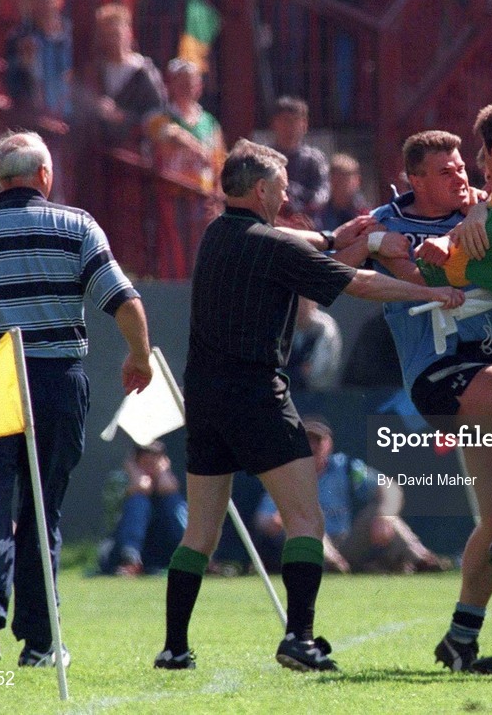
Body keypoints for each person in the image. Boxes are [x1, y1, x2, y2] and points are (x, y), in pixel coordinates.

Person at [152, 138, 464, 673]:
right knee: (305, 517)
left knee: (199, 534)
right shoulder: (274, 245)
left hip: (203, 397)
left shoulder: (216, 236)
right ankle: (299, 637)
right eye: (280, 184)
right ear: (260, 190)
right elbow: (358, 283)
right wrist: (432, 295)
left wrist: (333, 237)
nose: (287, 191)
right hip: (257, 394)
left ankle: (174, 647)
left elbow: (295, 245)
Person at [0, 131, 152, 668]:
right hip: (58, 381)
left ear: (0, 181)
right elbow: (124, 300)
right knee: (44, 511)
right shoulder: (78, 226)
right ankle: (41, 643)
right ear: (45, 176)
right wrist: (139, 356)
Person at [369, 128, 492, 674]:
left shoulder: (485, 208)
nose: (461, 176)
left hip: (490, 373)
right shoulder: (388, 224)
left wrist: (482, 214)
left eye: (463, 165)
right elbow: (413, 270)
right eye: (447, 170)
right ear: (416, 179)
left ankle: (461, 636)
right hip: (445, 372)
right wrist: (402, 248)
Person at [254, 417, 448, 573]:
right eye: (307, 440)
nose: (313, 447)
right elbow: (263, 518)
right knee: (304, 520)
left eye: (318, 441)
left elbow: (389, 487)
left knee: (380, 513)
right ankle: (330, 565)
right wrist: (274, 522)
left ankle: (422, 560)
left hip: (347, 544)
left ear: (328, 444)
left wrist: (384, 515)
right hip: (309, 551)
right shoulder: (286, 475)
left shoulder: (345, 467)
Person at [97, 441, 187, 576]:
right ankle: (130, 560)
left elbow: (167, 488)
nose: (151, 463)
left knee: (173, 501)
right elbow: (141, 487)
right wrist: (133, 470)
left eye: (155, 460)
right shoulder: (119, 479)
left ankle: (192, 554)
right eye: (145, 459)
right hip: (118, 549)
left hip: (159, 551)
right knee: (139, 501)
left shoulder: (166, 481)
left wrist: (162, 473)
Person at [82, 3, 166, 147]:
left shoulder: (144, 71)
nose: (113, 41)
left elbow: (158, 114)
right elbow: (82, 112)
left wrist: (123, 116)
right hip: (103, 150)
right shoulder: (95, 72)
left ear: (128, 33)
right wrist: (96, 106)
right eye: (108, 36)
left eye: (116, 34)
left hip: (136, 150)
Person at [144, 58, 225, 193]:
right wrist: (199, 150)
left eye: (191, 83)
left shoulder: (210, 122)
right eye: (181, 82)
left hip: (202, 196)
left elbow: (219, 163)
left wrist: (218, 195)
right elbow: (171, 134)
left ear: (199, 86)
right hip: (170, 195)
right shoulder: (158, 117)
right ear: (170, 86)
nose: (187, 87)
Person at [4, 0, 73, 120]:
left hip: (71, 118)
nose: (44, 5)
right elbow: (12, 86)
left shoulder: (73, 35)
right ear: (30, 2)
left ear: (60, 0)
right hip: (36, 118)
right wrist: (24, 65)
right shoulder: (18, 38)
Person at [270, 96, 330, 218]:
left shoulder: (314, 159)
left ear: (304, 125)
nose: (290, 127)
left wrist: (303, 204)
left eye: (295, 121)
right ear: (275, 123)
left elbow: (324, 192)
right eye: (285, 121)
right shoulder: (265, 157)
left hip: (306, 220)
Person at [284, 298, 343, 391]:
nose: (300, 306)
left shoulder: (325, 328)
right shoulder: (280, 324)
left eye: (304, 301)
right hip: (281, 394)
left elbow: (318, 371)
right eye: (296, 301)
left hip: (317, 397)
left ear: (314, 303)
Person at [315, 154, 370, 233]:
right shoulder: (319, 215)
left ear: (357, 181)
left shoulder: (366, 216)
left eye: (344, 181)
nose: (340, 188)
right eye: (336, 182)